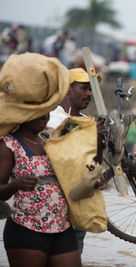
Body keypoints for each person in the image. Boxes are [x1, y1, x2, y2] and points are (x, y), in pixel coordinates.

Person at [0, 53, 81, 266]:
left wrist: (92, 180)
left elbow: (78, 162)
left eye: (47, 113)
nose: (45, 118)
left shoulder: (52, 136)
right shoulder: (9, 145)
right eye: (40, 114)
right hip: (26, 230)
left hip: (62, 228)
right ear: (25, 115)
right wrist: (15, 184)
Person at [47, 67, 105, 254]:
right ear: (67, 89)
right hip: (51, 208)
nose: (89, 93)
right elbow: (56, 156)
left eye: (91, 89)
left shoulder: (88, 121)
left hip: (78, 209)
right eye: (84, 88)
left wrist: (98, 139)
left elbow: (93, 162)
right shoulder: (51, 118)